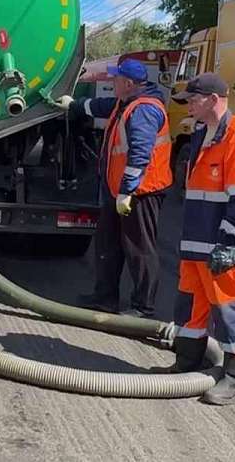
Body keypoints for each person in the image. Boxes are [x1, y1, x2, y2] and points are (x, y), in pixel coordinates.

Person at [155, 74, 235, 404]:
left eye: (193, 100)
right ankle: (187, 362)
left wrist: (230, 244)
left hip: (225, 244)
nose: (188, 107)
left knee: (228, 307)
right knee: (190, 302)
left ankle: (234, 377)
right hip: (197, 239)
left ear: (212, 99)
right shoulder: (200, 133)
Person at [56, 58, 172, 317]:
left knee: (139, 249)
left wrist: (127, 191)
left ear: (128, 83)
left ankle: (143, 307)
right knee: (108, 245)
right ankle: (104, 298)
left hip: (140, 194)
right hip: (118, 190)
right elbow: (99, 106)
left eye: (115, 79)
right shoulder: (126, 102)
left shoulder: (144, 110)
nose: (112, 83)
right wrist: (74, 104)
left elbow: (140, 155)